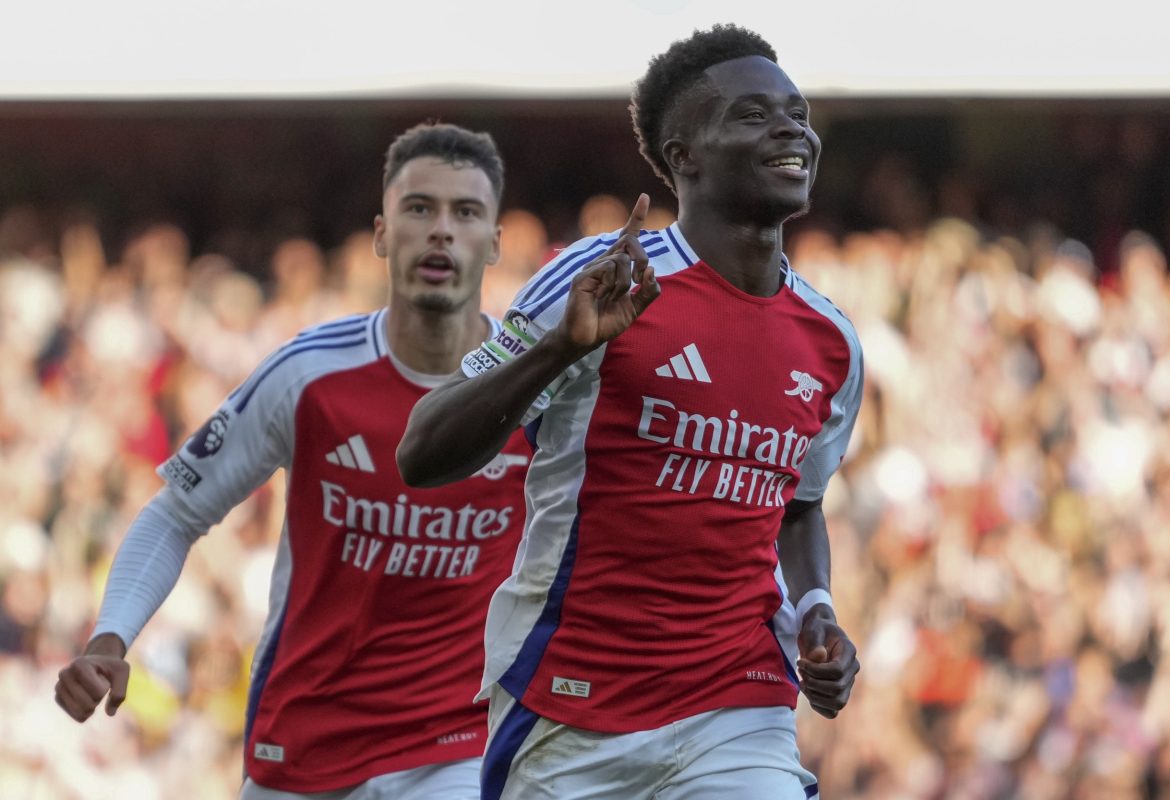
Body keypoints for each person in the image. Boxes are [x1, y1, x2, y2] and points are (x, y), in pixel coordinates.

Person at [397, 25, 864, 799]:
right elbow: (422, 451)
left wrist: (815, 609)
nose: (791, 128)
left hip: (738, 705)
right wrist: (557, 351)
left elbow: (799, 504)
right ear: (685, 155)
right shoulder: (608, 275)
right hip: (571, 704)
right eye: (753, 114)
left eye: (798, 111)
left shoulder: (832, 341)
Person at [54, 122, 534, 800]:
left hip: (454, 748)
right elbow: (176, 514)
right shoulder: (308, 373)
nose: (441, 231)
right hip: (303, 745)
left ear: (494, 245)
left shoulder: (538, 384)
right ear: (379, 235)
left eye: (466, 212)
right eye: (419, 208)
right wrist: (110, 637)